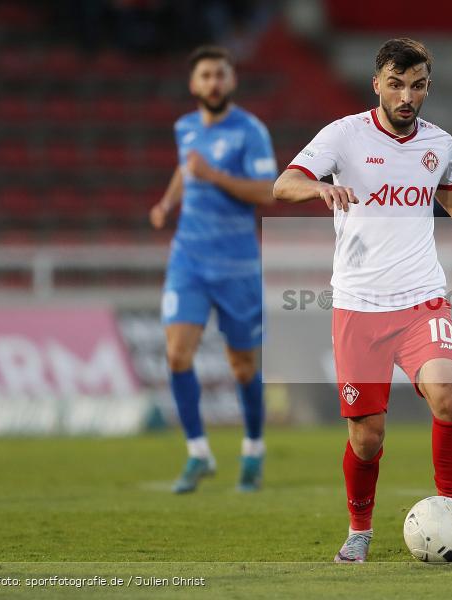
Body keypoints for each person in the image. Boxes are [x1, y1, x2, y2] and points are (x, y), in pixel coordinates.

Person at [272, 38, 452, 562]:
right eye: (395, 85)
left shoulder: (439, 144)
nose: (406, 96)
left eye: (416, 86)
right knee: (367, 438)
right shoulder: (344, 135)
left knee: (450, 398)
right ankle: (359, 529)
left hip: (422, 300)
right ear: (377, 83)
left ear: (427, 88)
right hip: (359, 306)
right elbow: (284, 184)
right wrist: (318, 189)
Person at [149, 45, 277, 494]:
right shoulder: (185, 127)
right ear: (193, 84)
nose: (213, 83)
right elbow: (186, 170)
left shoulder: (250, 131)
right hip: (188, 259)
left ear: (232, 80)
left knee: (242, 366)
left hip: (237, 265)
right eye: (205, 76)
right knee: (177, 354)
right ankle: (198, 453)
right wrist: (167, 202)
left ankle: (253, 449)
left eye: (220, 75)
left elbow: (267, 191)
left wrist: (215, 175)